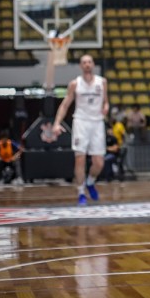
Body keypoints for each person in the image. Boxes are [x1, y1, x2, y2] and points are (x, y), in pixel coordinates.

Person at [52, 54, 110, 206]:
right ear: (80, 66)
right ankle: (80, 192)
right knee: (80, 158)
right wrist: (57, 123)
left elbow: (106, 102)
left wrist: (105, 107)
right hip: (81, 122)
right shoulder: (75, 84)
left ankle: (90, 182)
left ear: (93, 64)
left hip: (97, 123)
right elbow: (65, 105)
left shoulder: (102, 82)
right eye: (84, 62)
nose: (87, 64)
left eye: (89, 62)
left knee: (99, 163)